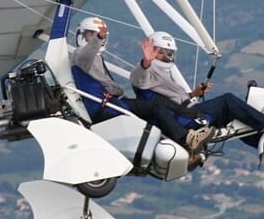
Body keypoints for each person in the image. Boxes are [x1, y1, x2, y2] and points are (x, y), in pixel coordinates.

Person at [71, 17, 214, 153]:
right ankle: (186, 139)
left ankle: (183, 145)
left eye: (96, 35)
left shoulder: (94, 58)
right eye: (91, 34)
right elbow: (86, 54)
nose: (94, 38)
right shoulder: (81, 57)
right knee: (154, 106)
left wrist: (193, 94)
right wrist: (99, 38)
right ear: (81, 35)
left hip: (114, 102)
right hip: (107, 107)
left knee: (155, 110)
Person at [130, 31, 264, 143]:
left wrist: (194, 93)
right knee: (227, 101)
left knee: (233, 118)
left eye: (170, 53)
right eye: (163, 52)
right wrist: (146, 61)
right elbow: (139, 80)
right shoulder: (148, 71)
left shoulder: (162, 73)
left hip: (186, 112)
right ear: (153, 51)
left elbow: (171, 101)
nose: (167, 57)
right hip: (186, 119)